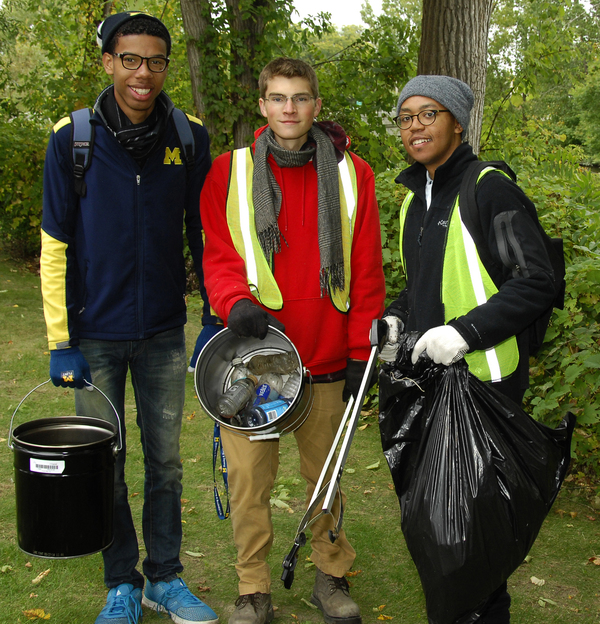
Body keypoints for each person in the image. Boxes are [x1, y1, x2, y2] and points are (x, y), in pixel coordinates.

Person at [39, 12, 219, 624]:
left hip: (166, 332)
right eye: (131, 60)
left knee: (165, 462)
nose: (144, 73)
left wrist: (216, 311)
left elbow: (206, 235)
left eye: (157, 61)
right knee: (105, 460)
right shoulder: (73, 138)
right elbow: (55, 243)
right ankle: (122, 581)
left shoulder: (189, 137)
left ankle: (165, 577)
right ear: (110, 62)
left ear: (167, 66)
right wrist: (61, 340)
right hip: (95, 335)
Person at [200, 57, 385, 624]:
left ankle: (330, 576)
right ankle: (253, 588)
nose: (289, 109)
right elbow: (218, 255)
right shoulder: (227, 172)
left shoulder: (356, 174)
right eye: (278, 98)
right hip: (254, 359)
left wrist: (361, 354)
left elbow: (368, 271)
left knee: (323, 480)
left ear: (316, 106)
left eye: (300, 98)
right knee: (250, 484)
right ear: (262, 105)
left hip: (327, 357)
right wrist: (235, 304)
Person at [379, 75, 556, 622]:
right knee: (442, 522)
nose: (415, 126)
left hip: (487, 384)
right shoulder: (414, 202)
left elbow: (536, 280)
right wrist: (397, 316)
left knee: (475, 533)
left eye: (428, 114)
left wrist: (464, 333)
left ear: (457, 122)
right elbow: (422, 285)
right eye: (407, 116)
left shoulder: (488, 188)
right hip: (434, 385)